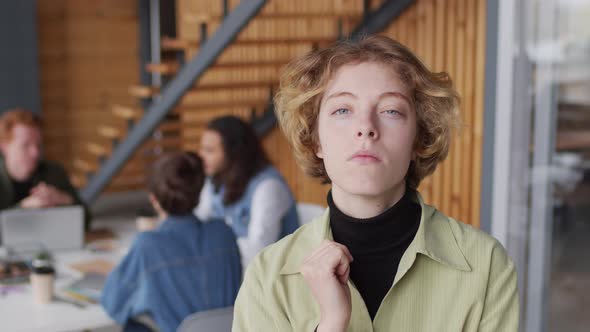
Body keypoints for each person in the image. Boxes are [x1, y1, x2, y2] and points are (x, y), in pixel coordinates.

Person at [232, 35, 518, 331]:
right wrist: (331, 323)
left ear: (419, 139)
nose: (366, 128)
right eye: (343, 110)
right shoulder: (267, 277)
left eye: (390, 111)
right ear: (315, 139)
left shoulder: (485, 265)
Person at [101, 152, 242, 332]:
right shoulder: (224, 233)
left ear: (154, 200)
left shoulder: (148, 244)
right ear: (198, 193)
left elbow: (111, 302)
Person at [195, 115, 299, 268]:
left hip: (271, 279)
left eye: (209, 150)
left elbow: (259, 249)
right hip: (232, 271)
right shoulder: (215, 180)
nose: (201, 156)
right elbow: (199, 221)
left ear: (233, 153)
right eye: (202, 148)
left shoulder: (268, 187)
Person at [0, 109, 90, 229]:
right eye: (25, 145)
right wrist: (23, 208)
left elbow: (87, 221)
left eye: (38, 145)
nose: (35, 153)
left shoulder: (55, 172)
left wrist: (64, 199)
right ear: (4, 147)